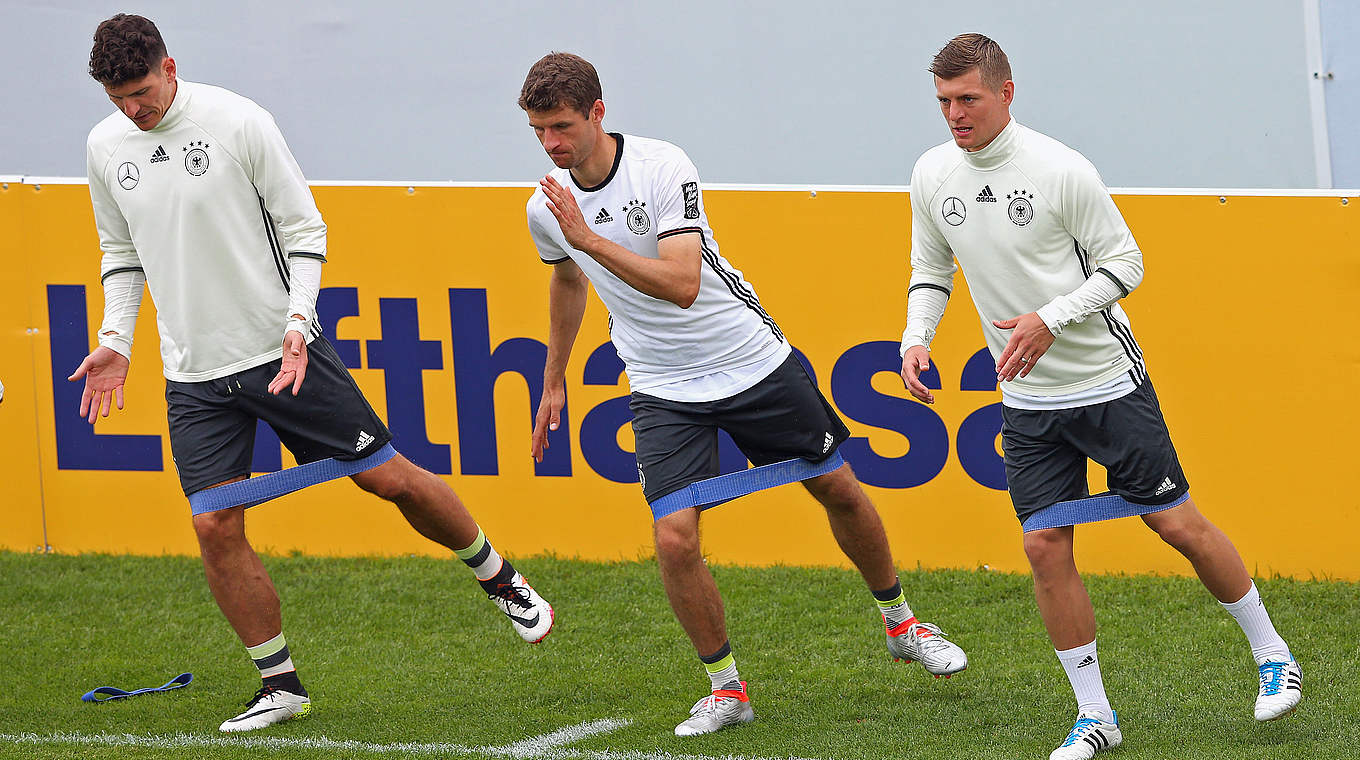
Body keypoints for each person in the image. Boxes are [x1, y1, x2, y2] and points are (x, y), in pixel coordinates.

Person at [75, 14, 553, 733]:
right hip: (195, 376)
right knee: (213, 525)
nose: (133, 110)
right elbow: (121, 253)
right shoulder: (106, 147)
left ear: (169, 68)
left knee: (385, 477)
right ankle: (281, 685)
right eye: (119, 98)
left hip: (282, 353)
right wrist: (118, 338)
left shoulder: (239, 122)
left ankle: (498, 576)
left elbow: (305, 232)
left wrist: (299, 326)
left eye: (142, 92)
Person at [519, 52, 967, 737]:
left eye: (562, 125)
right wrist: (554, 378)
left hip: (749, 359)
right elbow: (567, 279)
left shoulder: (664, 167)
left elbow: (682, 283)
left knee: (838, 489)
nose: (551, 144)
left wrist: (587, 238)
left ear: (598, 113)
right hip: (662, 384)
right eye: (539, 130)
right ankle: (727, 690)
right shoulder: (545, 207)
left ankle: (902, 622)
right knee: (674, 539)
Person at [900, 33, 1301, 760]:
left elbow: (1127, 263)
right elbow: (931, 269)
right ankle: (1096, 716)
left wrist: (1050, 319)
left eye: (968, 99)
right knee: (1043, 545)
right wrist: (916, 336)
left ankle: (1274, 654)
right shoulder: (931, 174)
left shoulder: (1060, 169)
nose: (954, 115)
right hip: (1025, 401)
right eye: (944, 102)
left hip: (1105, 383)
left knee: (1175, 525)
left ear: (1006, 93)